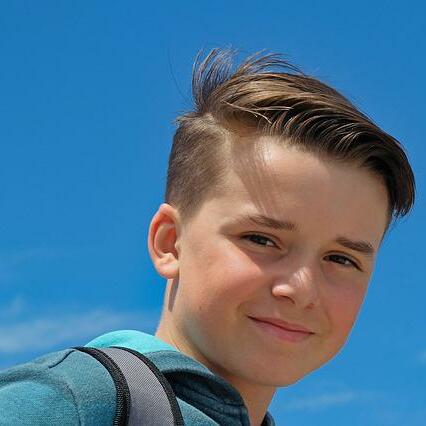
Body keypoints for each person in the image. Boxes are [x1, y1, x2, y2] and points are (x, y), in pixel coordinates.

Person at [0, 48, 415, 425]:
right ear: (169, 242)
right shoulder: (72, 403)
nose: (301, 289)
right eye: (261, 240)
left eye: (341, 258)